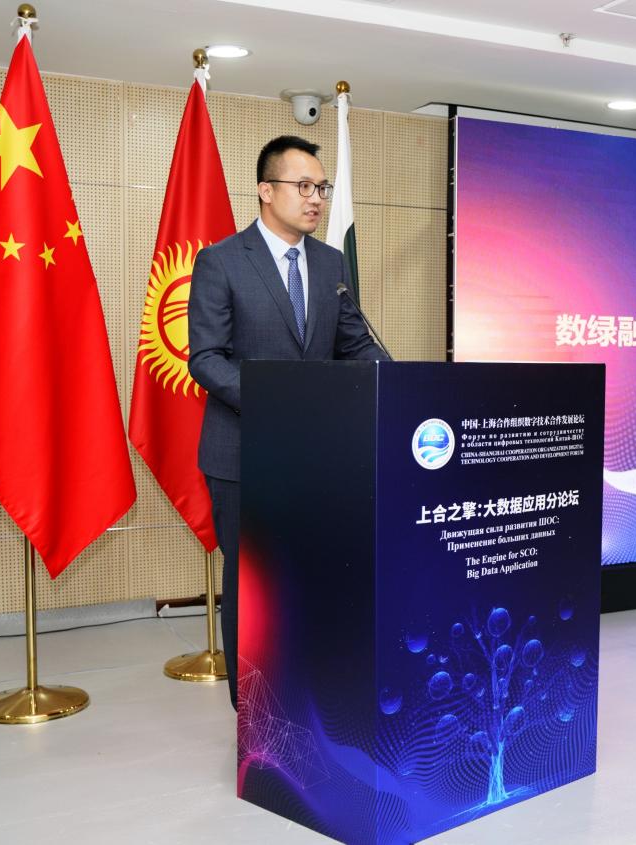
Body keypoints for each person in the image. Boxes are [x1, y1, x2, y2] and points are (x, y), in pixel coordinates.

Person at [188, 135, 388, 710]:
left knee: (309, 576)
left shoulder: (329, 264)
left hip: (315, 456)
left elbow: (353, 343)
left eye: (321, 187)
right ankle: (253, 711)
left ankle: (306, 694)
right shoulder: (222, 261)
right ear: (265, 190)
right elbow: (206, 359)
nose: (316, 198)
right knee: (253, 586)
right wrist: (278, 402)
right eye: (303, 186)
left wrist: (394, 380)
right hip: (243, 454)